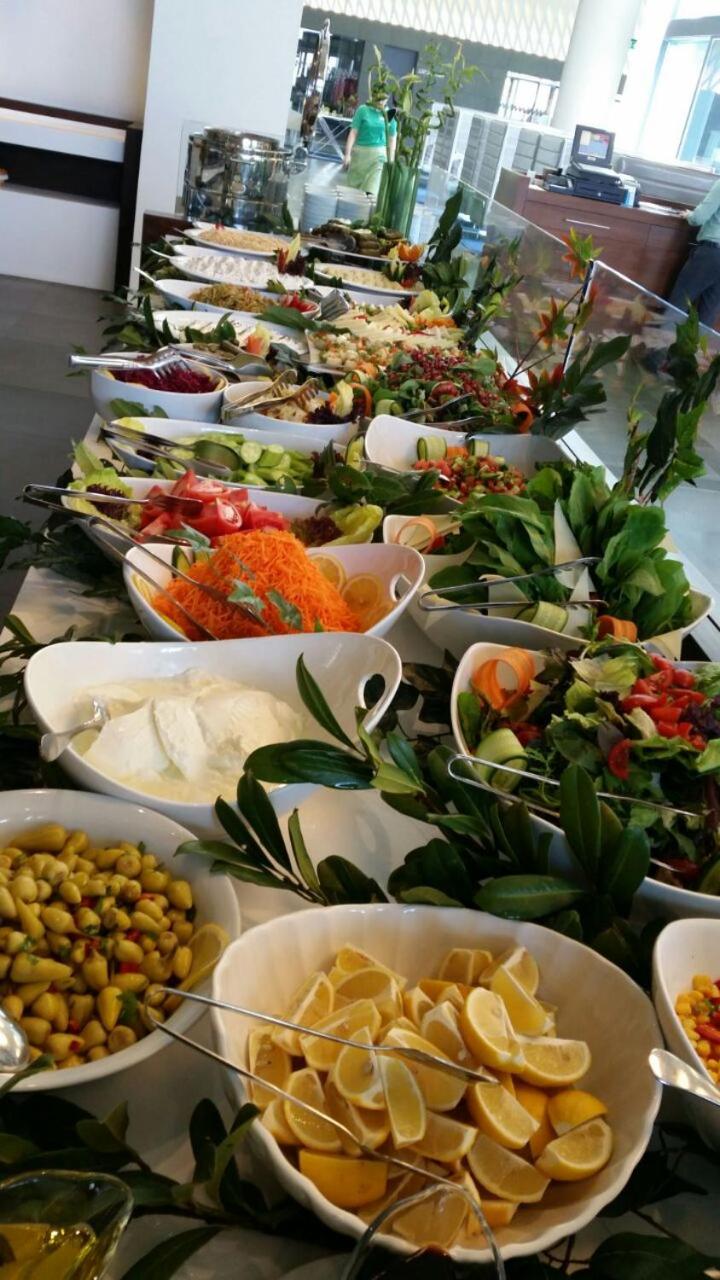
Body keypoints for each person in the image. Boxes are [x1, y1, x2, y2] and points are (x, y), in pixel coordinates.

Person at [669, 178, 720, 328]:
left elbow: (699, 218)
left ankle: (660, 343)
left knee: (678, 305)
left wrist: (689, 216)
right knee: (708, 312)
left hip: (712, 253)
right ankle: (695, 345)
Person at [342, 91, 397, 198]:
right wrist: (347, 155)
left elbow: (392, 139)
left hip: (379, 157)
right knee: (352, 193)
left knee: (371, 192)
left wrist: (391, 161)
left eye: (384, 98)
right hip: (360, 156)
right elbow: (353, 133)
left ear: (388, 98)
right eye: (379, 98)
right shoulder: (363, 110)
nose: (381, 101)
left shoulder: (390, 114)